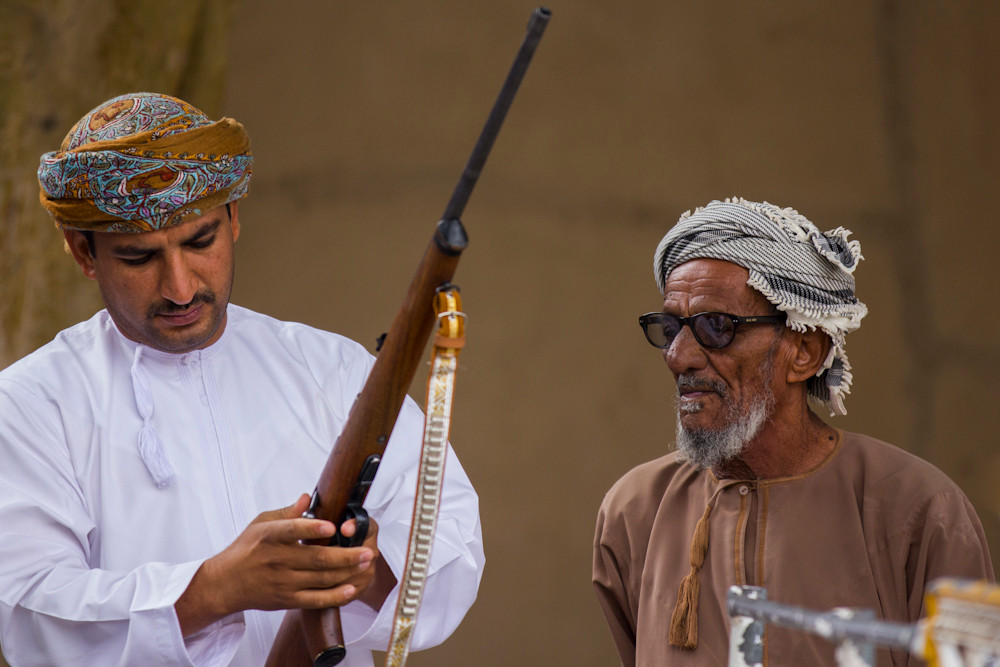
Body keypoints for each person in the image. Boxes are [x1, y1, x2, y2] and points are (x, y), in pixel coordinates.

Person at [0, 92, 484, 667]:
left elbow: (450, 537)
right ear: (84, 253)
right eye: (138, 258)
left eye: (199, 242)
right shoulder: (29, 405)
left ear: (233, 219)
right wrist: (214, 590)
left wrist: (365, 566)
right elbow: (27, 611)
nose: (180, 287)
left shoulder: (331, 368)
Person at [592, 197, 994, 666]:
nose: (678, 356)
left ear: (804, 350)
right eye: (669, 327)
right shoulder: (635, 510)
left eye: (715, 326)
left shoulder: (918, 509)